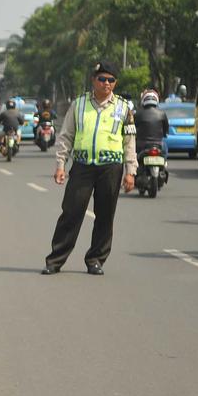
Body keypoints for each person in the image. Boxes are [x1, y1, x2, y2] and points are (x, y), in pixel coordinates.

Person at [42, 61, 136, 276]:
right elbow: (66, 136)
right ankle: (55, 260)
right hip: (83, 166)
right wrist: (60, 164)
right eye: (102, 79)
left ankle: (95, 259)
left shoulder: (123, 108)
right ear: (93, 80)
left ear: (115, 83)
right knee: (71, 212)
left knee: (105, 215)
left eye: (111, 80)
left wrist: (131, 172)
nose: (106, 83)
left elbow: (129, 142)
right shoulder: (79, 104)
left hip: (111, 168)